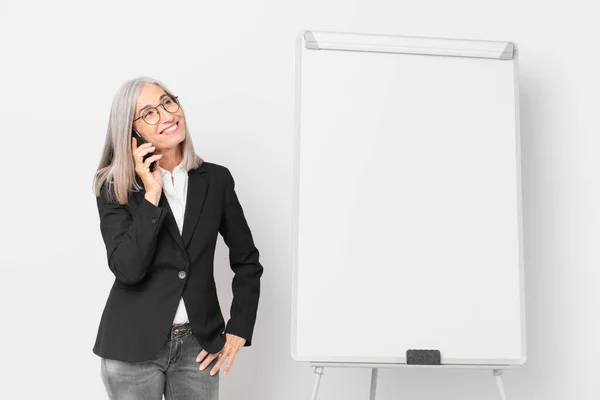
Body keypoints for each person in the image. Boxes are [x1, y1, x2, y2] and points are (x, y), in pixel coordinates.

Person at [91, 76, 264, 400]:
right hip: (131, 347)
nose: (167, 115)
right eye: (149, 113)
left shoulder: (216, 180)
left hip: (198, 346)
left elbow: (247, 261)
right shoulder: (115, 187)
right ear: (132, 132)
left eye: (168, 103)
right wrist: (152, 193)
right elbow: (128, 269)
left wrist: (239, 326)